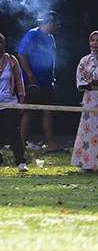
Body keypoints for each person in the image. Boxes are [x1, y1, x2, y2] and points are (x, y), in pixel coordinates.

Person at [71, 30, 98, 172]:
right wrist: (91, 83)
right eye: (92, 40)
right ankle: (86, 164)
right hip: (89, 99)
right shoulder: (84, 60)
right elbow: (80, 80)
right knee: (87, 130)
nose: (95, 43)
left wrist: (92, 82)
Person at [18, 10, 61, 152]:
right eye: (57, 25)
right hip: (33, 82)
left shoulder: (51, 38)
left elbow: (51, 61)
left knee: (48, 112)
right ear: (50, 23)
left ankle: (51, 144)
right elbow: (22, 55)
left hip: (47, 82)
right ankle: (21, 144)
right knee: (28, 112)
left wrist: (53, 80)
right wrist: (30, 75)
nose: (57, 29)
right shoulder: (33, 34)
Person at [0, 32, 29, 172]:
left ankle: (21, 162)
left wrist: (22, 99)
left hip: (10, 101)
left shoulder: (12, 60)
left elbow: (19, 81)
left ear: (3, 45)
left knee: (13, 131)